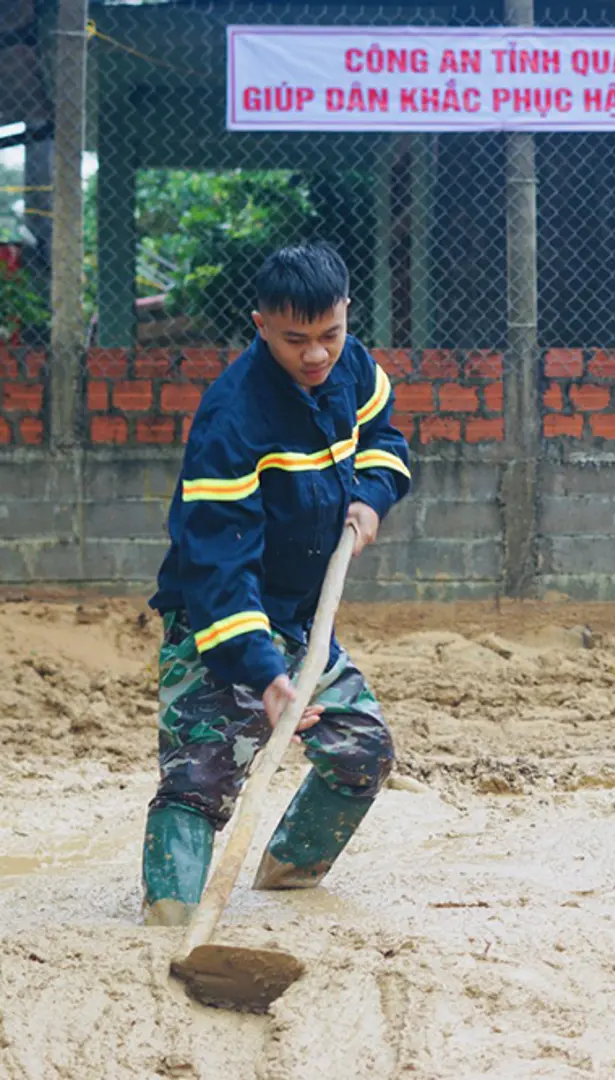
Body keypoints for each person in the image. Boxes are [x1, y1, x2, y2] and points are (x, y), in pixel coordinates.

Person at [140, 244, 412, 926]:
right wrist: (263, 673)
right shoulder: (233, 417)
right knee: (200, 776)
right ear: (261, 324)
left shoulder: (352, 366)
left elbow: (383, 434)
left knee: (362, 752)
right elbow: (218, 564)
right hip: (218, 621)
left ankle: (288, 875)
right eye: (296, 340)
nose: (317, 355)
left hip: (299, 617)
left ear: (346, 314)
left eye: (329, 334)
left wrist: (373, 495)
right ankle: (168, 921)